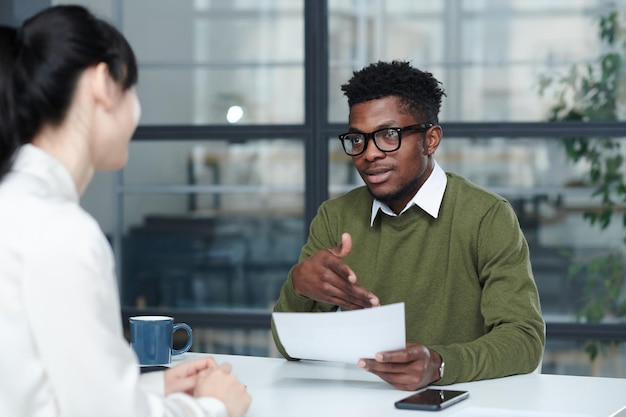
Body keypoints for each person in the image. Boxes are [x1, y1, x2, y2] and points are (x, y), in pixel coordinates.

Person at [0, 6, 250, 417]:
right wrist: (214, 407)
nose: (137, 109)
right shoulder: (60, 230)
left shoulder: (18, 205)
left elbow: (44, 388)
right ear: (103, 82)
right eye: (133, 88)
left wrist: (146, 387)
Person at [271, 60, 545, 391]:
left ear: (431, 139)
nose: (368, 154)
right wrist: (298, 286)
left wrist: (440, 364)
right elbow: (290, 348)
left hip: (461, 404)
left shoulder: (487, 215)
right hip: (360, 404)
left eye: (389, 135)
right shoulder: (335, 216)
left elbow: (525, 339)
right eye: (357, 139)